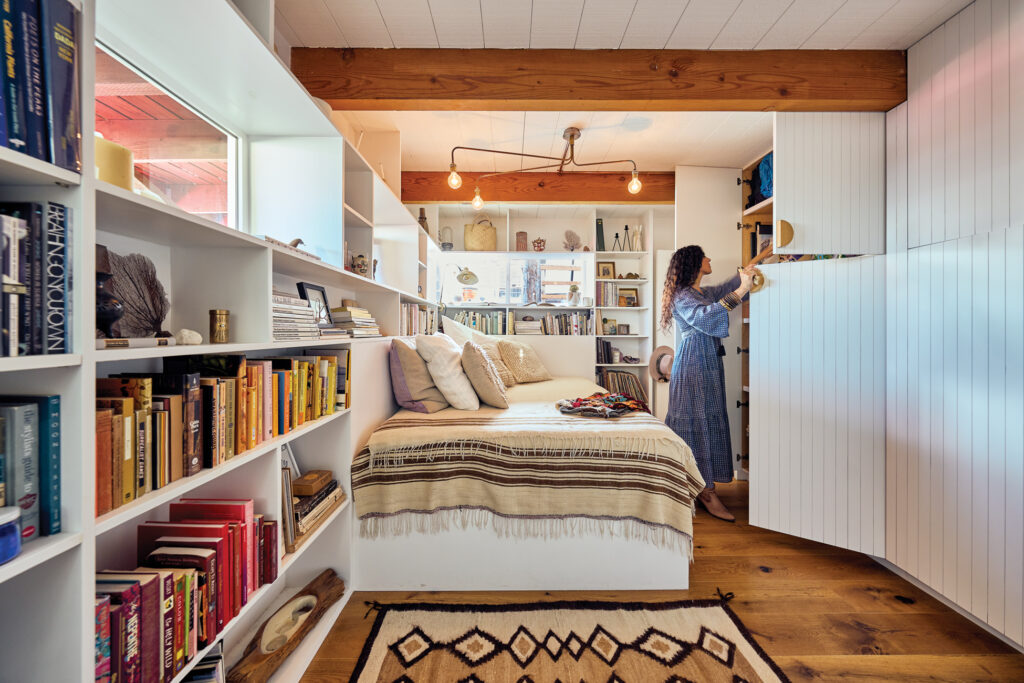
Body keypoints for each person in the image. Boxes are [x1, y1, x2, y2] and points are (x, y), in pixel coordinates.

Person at [660, 244, 772, 522]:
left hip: (707, 360)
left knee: (708, 419)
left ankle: (702, 484)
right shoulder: (682, 296)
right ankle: (705, 491)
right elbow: (706, 317)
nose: (710, 259)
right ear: (696, 263)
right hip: (694, 363)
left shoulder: (700, 292)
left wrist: (761, 256)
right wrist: (743, 289)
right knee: (695, 420)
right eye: (705, 256)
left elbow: (728, 286)